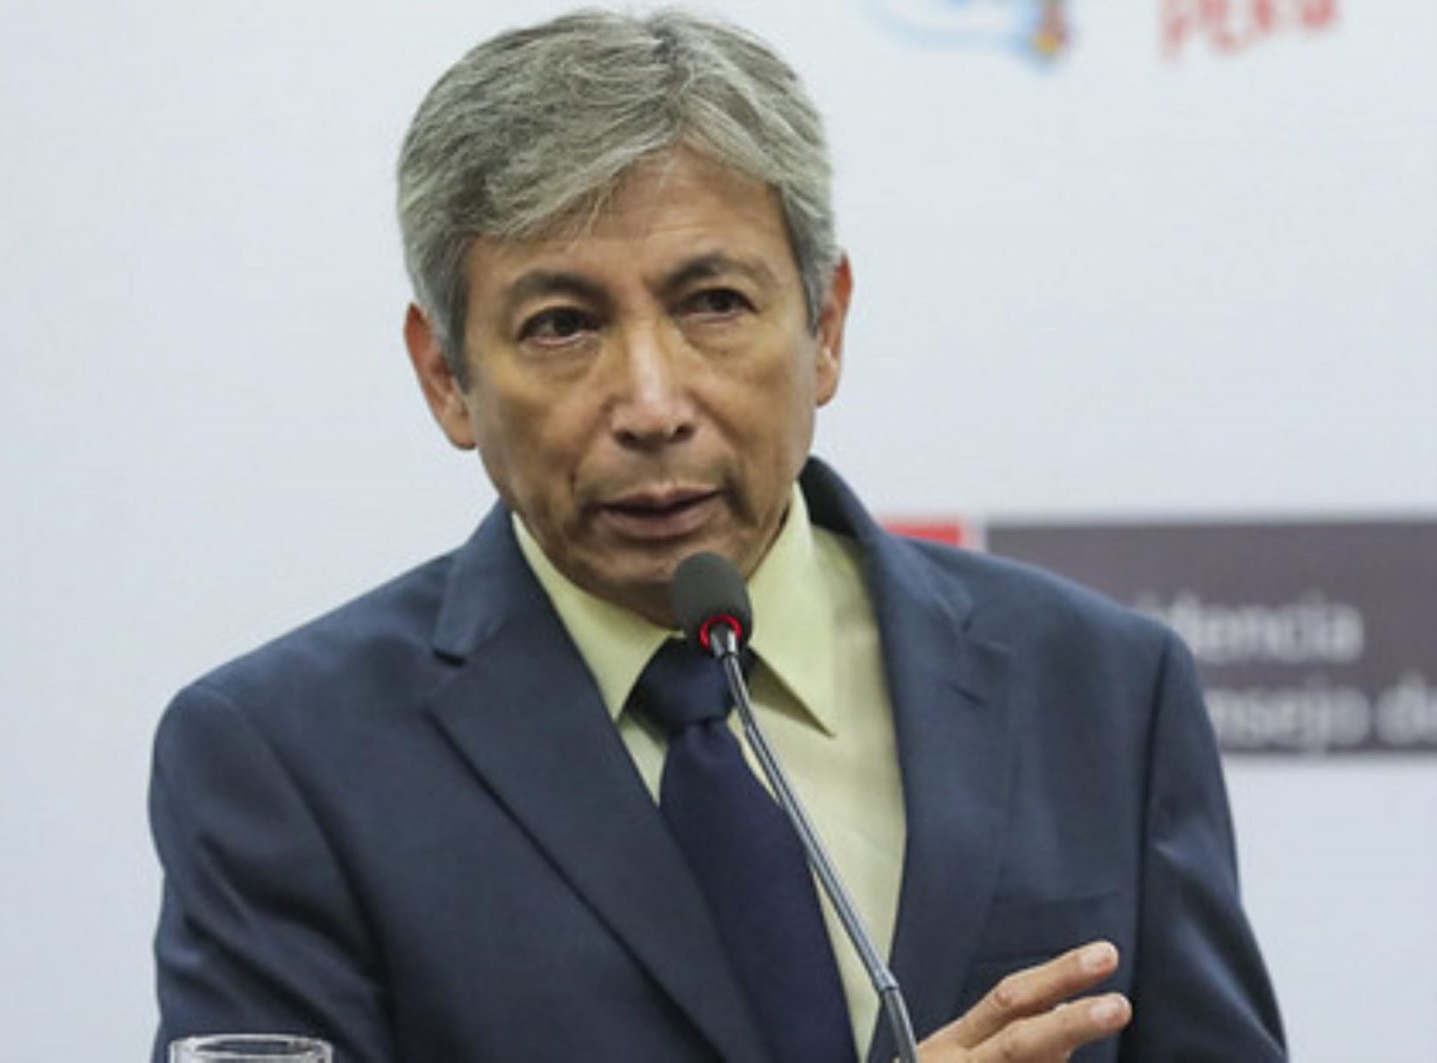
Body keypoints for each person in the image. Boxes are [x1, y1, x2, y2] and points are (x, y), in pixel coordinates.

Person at [150, 10, 1286, 1062]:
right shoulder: (287, 759)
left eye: (714, 304)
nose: (652, 403)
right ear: (446, 375)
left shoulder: (1097, 689)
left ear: (825, 325)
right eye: (562, 324)